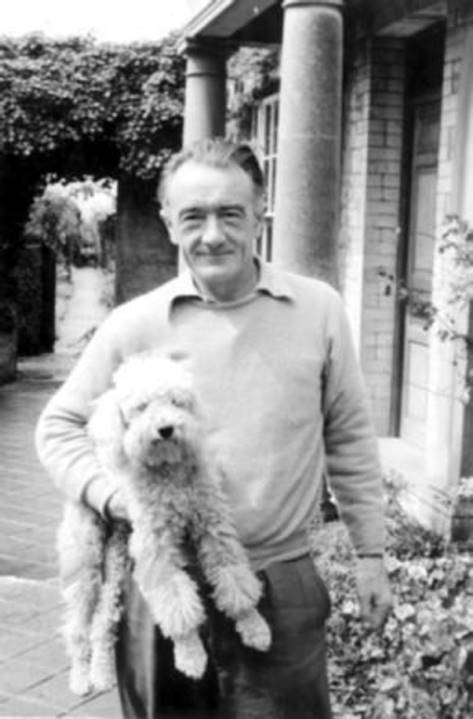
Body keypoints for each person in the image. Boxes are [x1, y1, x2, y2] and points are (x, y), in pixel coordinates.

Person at [36, 137, 392, 718]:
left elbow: (349, 437)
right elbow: (58, 427)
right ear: (168, 223)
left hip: (280, 583)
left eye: (230, 213)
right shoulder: (135, 323)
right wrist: (116, 499)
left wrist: (370, 554)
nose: (212, 235)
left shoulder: (318, 310)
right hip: (162, 583)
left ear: (260, 211)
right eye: (193, 217)